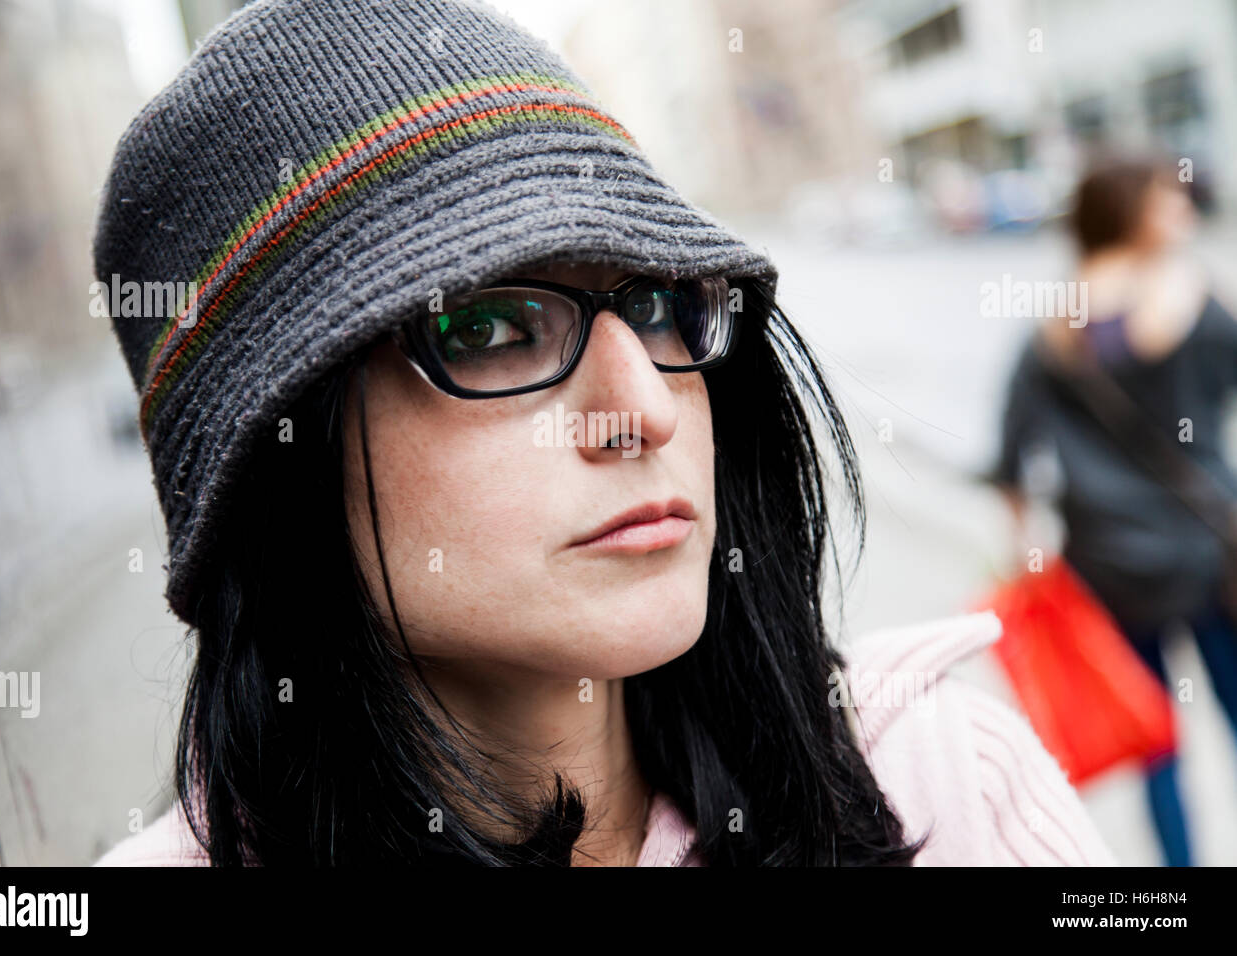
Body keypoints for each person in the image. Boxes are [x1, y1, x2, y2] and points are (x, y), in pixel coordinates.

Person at [91, 0, 1114, 866]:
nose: (648, 406)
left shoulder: (940, 784)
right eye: (488, 326)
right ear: (273, 461)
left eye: (666, 305)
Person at [990, 159, 1237, 866]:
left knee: (1153, 738)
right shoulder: (1196, 298)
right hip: (1211, 551)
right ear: (1135, 212)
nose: (1184, 204)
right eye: (1169, 195)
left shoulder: (1051, 334)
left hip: (1110, 564)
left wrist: (1025, 560)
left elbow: (1011, 462)